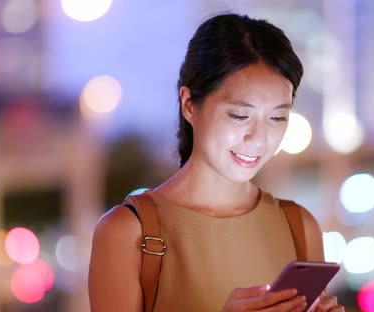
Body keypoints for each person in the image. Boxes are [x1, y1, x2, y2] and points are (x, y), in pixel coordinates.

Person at [88, 13, 345, 312]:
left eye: (277, 117)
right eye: (239, 115)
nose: (259, 138)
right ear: (189, 105)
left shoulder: (299, 226)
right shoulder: (128, 231)